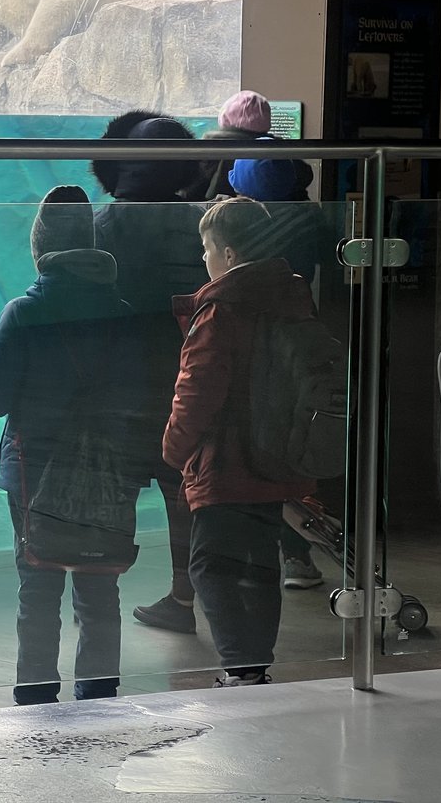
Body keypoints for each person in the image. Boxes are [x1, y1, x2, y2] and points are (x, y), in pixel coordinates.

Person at [0, 185, 139, 704]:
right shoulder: (127, 313)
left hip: (34, 465)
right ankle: (98, 687)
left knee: (38, 584)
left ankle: (36, 689)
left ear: (41, 248)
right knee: (98, 583)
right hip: (108, 467)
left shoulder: (23, 313)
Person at [163, 197, 317, 686]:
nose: (204, 260)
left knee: (210, 565)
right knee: (261, 565)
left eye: (207, 249)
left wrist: (173, 448)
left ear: (227, 253)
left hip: (226, 462)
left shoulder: (221, 309)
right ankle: (256, 664)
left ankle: (239, 669)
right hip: (279, 455)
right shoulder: (294, 298)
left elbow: (197, 390)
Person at [90, 110, 207, 635]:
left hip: (117, 385)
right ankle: (185, 595)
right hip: (187, 379)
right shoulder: (200, 221)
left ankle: (100, 600)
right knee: (184, 492)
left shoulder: (101, 224)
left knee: (112, 496)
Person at [224, 148, 339, 590]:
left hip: (258, 345)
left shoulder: (246, 224)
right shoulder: (308, 217)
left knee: (259, 444)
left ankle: (264, 555)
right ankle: (298, 556)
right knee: (293, 442)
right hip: (301, 333)